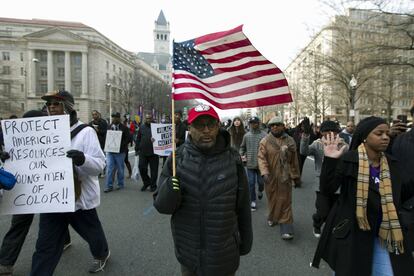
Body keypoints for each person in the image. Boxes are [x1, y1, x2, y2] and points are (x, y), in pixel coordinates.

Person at [154, 104, 252, 276]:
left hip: (224, 255)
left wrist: (246, 241)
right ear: (190, 128)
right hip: (189, 255)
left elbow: (242, 206)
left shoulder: (233, 159)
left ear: (218, 127)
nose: (206, 130)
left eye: (211, 124)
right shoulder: (177, 159)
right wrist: (169, 190)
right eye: (200, 125)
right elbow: (162, 206)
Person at [312, 116, 414, 276]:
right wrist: (330, 160)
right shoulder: (349, 160)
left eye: (387, 133)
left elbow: (400, 196)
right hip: (354, 234)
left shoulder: (391, 163)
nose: (385, 137)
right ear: (365, 136)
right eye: (379, 133)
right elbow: (328, 189)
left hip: (386, 233)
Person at [31, 90, 110, 275]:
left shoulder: (86, 132)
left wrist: (83, 159)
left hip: (78, 198)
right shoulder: (41, 131)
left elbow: (99, 166)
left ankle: (102, 254)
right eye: (49, 104)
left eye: (56, 104)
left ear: (68, 107)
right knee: (45, 246)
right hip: (51, 199)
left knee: (93, 234)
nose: (51, 107)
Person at [0, 110, 73, 276]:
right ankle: (5, 262)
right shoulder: (16, 141)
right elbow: (11, 164)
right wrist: (5, 158)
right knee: (19, 224)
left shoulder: (58, 136)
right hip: (23, 190)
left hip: (51, 185)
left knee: (54, 219)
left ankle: (64, 239)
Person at [300, 119, 348, 238]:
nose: (330, 133)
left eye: (333, 131)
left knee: (336, 211)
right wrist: (305, 136)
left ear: (338, 132)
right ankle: (317, 223)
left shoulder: (344, 145)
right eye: (326, 131)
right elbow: (304, 151)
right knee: (323, 210)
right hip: (321, 184)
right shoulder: (317, 144)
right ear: (321, 132)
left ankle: (331, 230)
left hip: (338, 184)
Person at [258, 116, 300, 240]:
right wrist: (264, 172)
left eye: (277, 124)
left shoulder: (290, 140)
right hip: (270, 177)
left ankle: (286, 226)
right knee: (272, 199)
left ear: (283, 126)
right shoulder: (265, 141)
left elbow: (294, 160)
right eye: (272, 125)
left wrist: (296, 176)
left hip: (284, 176)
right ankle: (272, 216)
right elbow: (261, 158)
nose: (274, 127)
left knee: (286, 200)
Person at [239, 116, 266, 211]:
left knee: (261, 182)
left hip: (261, 164)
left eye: (255, 122)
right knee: (250, 183)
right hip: (250, 163)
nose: (253, 124)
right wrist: (241, 154)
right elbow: (242, 147)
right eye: (251, 123)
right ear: (249, 124)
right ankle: (253, 201)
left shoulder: (264, 135)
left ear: (258, 123)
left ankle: (260, 190)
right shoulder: (246, 136)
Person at [104, 112, 131, 192]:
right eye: (113, 117)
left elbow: (128, 139)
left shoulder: (124, 128)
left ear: (119, 118)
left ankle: (120, 184)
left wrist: (120, 145)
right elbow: (106, 137)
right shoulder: (109, 127)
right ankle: (109, 186)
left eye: (116, 117)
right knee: (109, 168)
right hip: (110, 151)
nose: (114, 119)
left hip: (120, 152)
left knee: (120, 168)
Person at [135, 114, 159, 192]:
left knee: (154, 170)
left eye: (149, 118)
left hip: (154, 152)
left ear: (152, 118)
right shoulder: (142, 127)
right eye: (147, 118)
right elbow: (138, 138)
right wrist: (137, 148)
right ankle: (146, 182)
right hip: (143, 152)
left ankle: (153, 185)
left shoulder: (156, 127)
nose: (148, 119)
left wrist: (156, 139)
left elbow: (160, 138)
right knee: (141, 168)